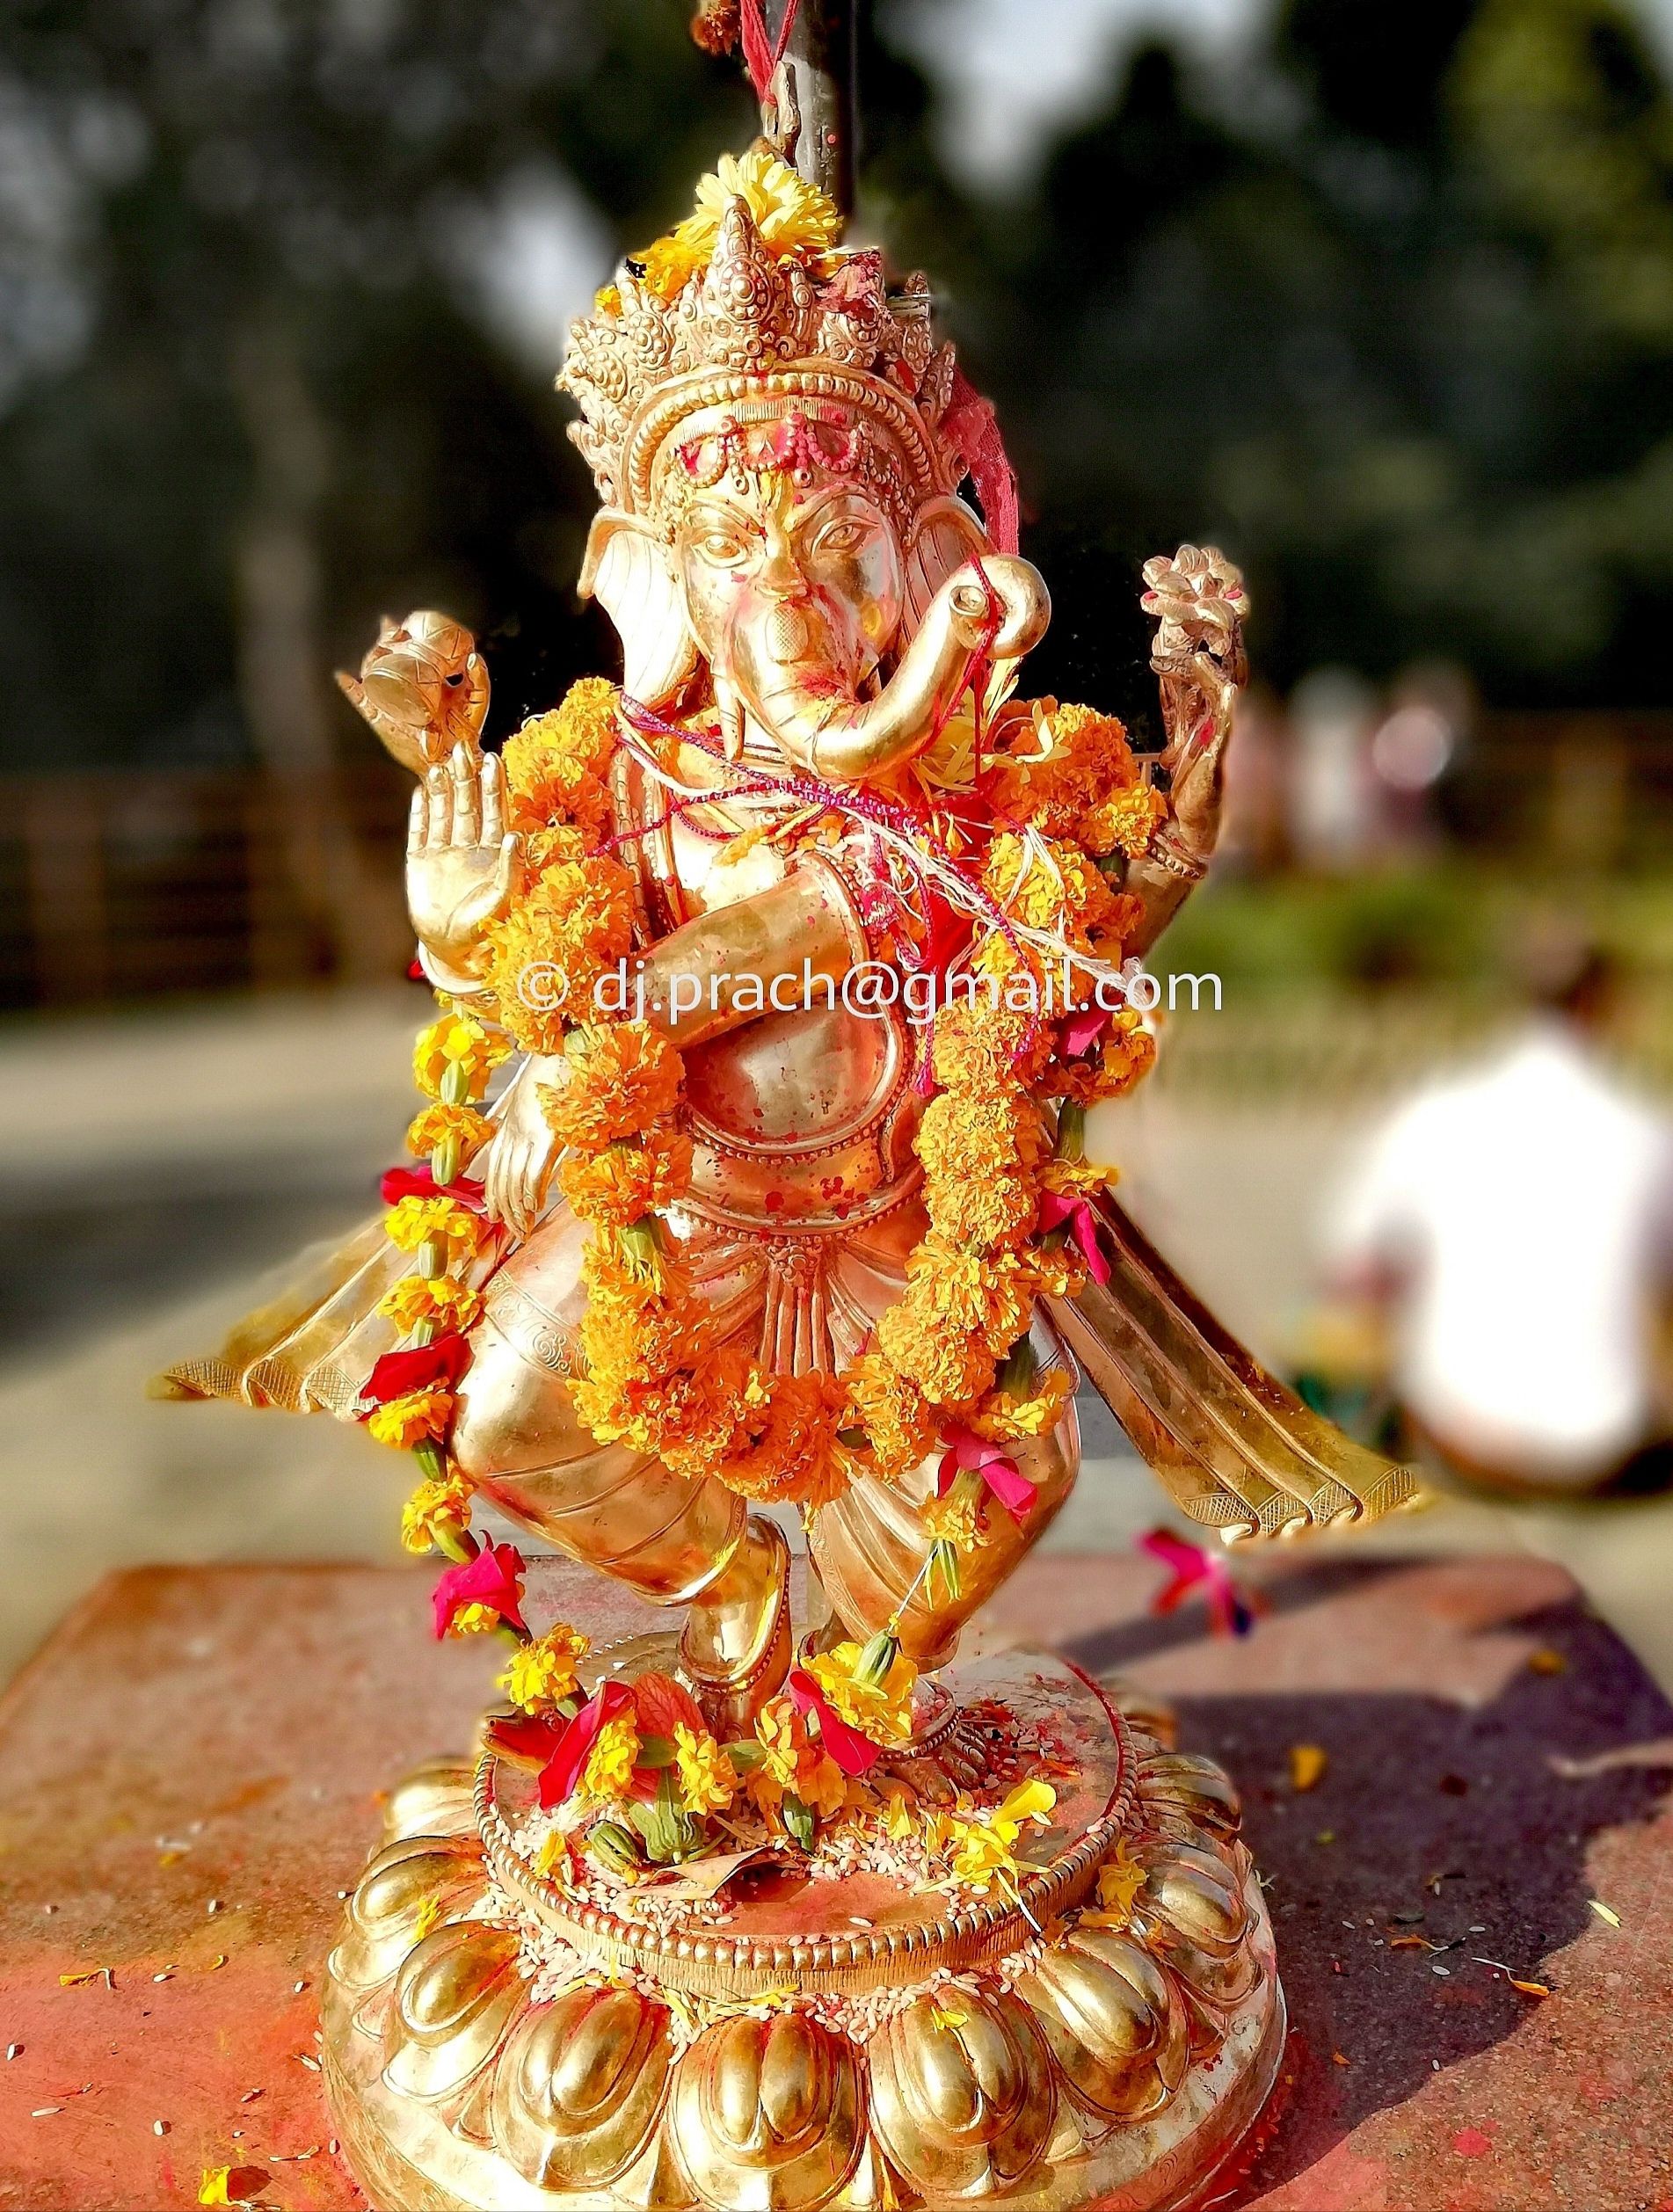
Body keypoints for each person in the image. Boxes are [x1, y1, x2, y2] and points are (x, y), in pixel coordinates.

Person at [1322, 942, 1673, 1495]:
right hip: (1606, 1450)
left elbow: (1350, 1271)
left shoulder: (1435, 1114)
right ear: (1607, 1006)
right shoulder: (1650, 1129)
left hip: (1465, 1444)